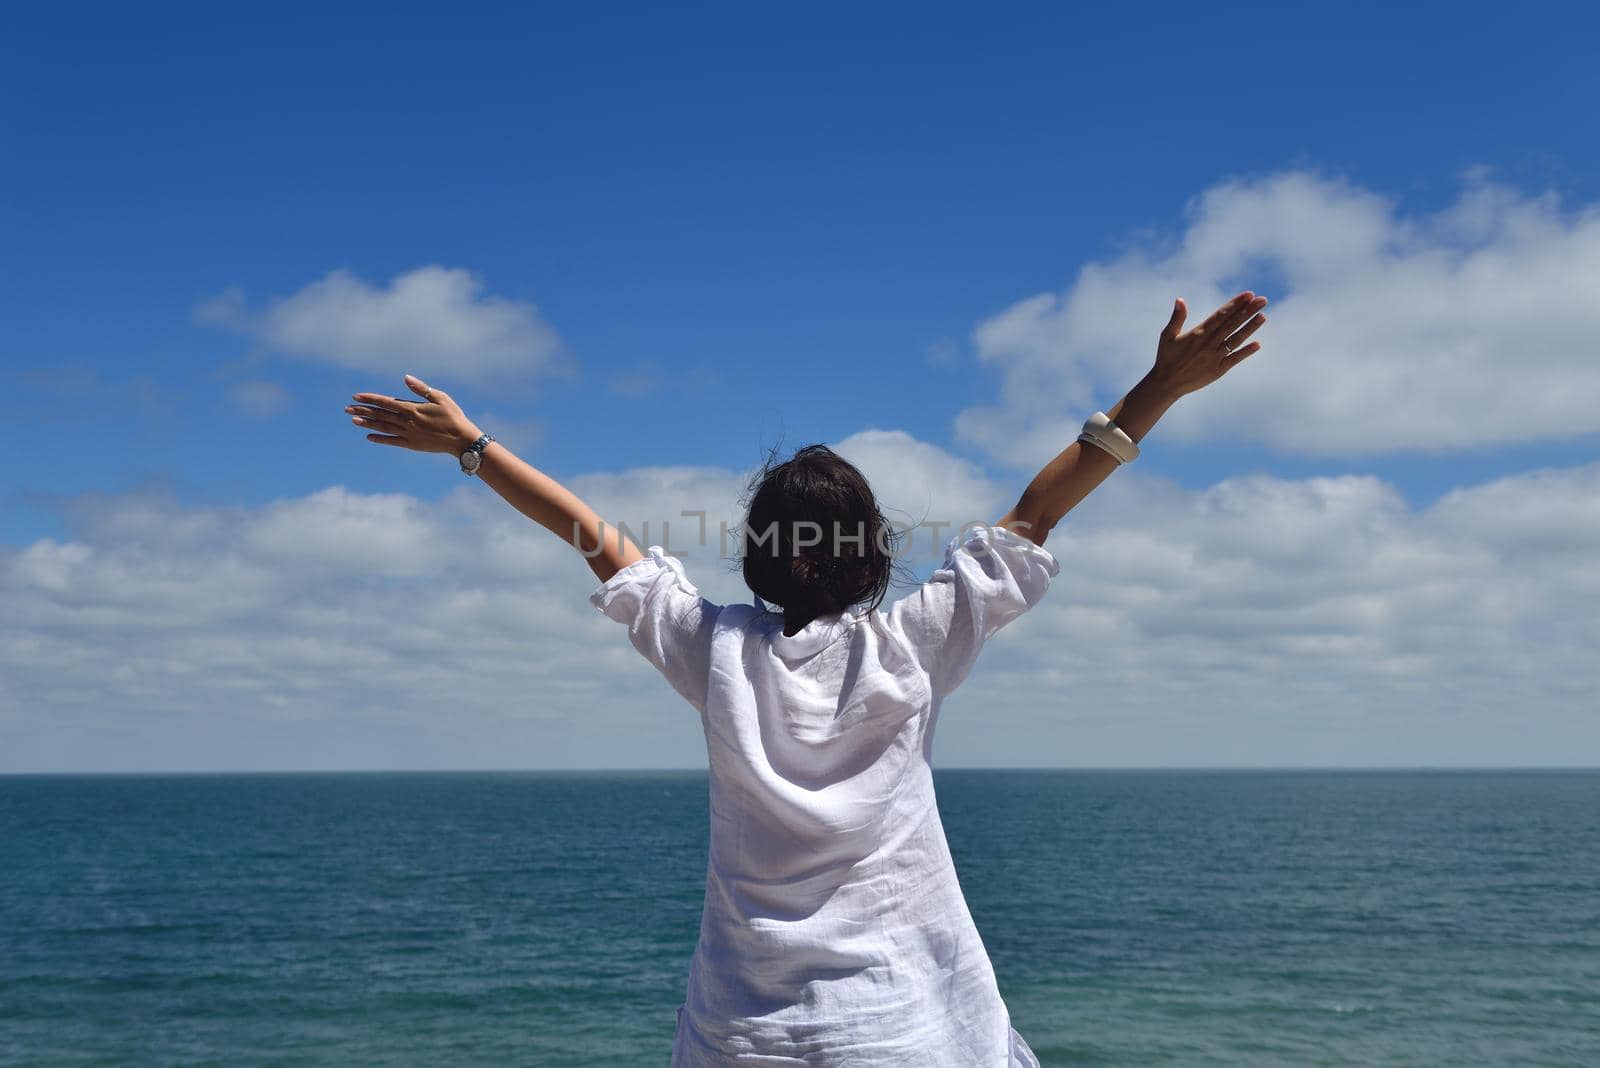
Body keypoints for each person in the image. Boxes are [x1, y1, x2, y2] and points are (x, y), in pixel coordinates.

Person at [345, 290, 1269, 1066]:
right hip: (905, 1031)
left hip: (744, 1038)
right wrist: (1158, 387)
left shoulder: (713, 652)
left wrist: (472, 447)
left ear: (757, 557)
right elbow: (1037, 511)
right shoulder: (913, 643)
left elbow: (591, 534)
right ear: (871, 554)